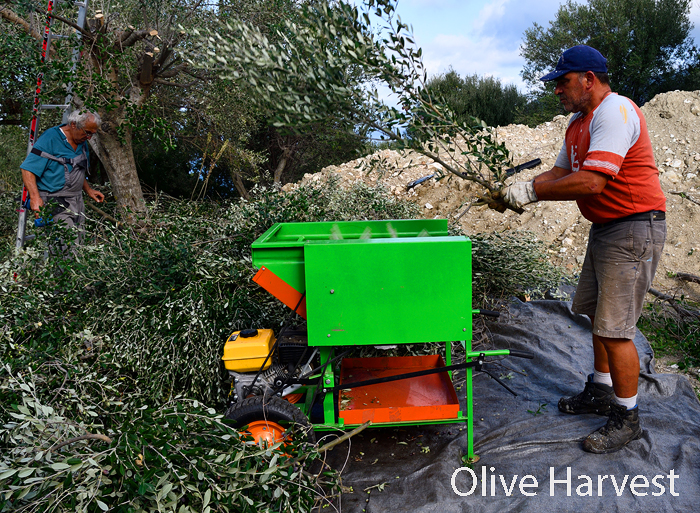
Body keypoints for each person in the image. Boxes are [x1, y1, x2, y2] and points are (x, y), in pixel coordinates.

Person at [500, 45, 666, 454]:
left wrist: (531, 192)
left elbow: (593, 182)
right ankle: (600, 389)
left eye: (563, 80)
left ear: (588, 78)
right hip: (608, 229)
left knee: (616, 329)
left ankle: (627, 418)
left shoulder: (615, 111)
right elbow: (560, 173)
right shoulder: (579, 121)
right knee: (596, 315)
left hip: (633, 229)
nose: (556, 89)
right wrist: (513, 192)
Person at [20, 110, 105, 246]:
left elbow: (77, 168)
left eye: (92, 134)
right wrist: (35, 198)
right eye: (87, 132)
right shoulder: (51, 138)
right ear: (73, 124)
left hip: (77, 201)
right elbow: (27, 169)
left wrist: (88, 190)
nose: (89, 137)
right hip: (55, 201)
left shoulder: (81, 140)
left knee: (81, 245)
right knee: (67, 249)